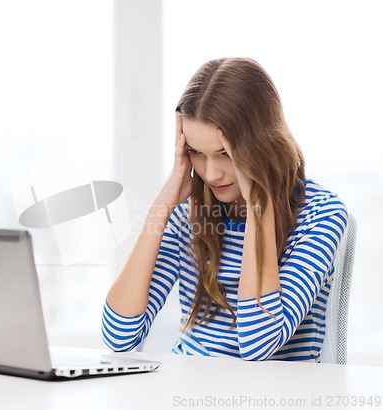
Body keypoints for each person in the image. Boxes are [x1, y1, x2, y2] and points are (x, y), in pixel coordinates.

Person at [102, 57, 348, 361]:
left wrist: (258, 205)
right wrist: (161, 207)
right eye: (196, 153)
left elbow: (258, 345)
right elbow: (119, 336)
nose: (212, 173)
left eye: (225, 154)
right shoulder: (188, 217)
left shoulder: (321, 214)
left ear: (262, 144)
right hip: (187, 391)